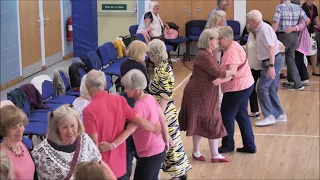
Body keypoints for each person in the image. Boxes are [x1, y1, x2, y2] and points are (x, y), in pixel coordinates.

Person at [82, 69, 161, 179]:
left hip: (102, 167)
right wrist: (155, 128)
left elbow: (93, 144)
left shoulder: (88, 111)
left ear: (86, 86)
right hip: (120, 163)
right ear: (104, 84)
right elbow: (140, 121)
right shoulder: (119, 100)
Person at [179, 29, 236, 163]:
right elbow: (218, 72)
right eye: (216, 38)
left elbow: (218, 71)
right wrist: (232, 72)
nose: (218, 41)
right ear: (209, 40)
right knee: (211, 119)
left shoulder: (210, 53)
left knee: (204, 119)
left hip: (205, 92)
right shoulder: (203, 55)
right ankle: (211, 154)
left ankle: (198, 152)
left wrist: (227, 73)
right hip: (198, 94)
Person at [31, 104, 116, 180]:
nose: (70, 131)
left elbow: (100, 164)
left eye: (72, 126)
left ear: (78, 124)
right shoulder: (40, 153)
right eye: (64, 127)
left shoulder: (85, 140)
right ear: (56, 129)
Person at [149, 39, 192, 180]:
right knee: (172, 143)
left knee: (171, 144)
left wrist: (158, 116)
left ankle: (179, 175)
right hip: (164, 111)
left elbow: (165, 97)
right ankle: (179, 172)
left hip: (165, 113)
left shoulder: (163, 70)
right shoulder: (160, 67)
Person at [213, 26, 256, 153]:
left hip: (237, 89)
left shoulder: (231, 51)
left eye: (218, 38)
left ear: (225, 38)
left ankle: (227, 145)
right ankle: (249, 145)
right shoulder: (235, 45)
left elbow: (233, 72)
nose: (217, 41)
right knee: (242, 116)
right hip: (246, 85)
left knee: (226, 116)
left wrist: (221, 80)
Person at [246, 10, 287, 126]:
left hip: (271, 61)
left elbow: (271, 48)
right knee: (271, 89)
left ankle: (269, 115)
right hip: (271, 60)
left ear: (253, 21)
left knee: (262, 88)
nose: (248, 24)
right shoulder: (260, 29)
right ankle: (280, 114)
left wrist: (271, 66)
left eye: (249, 21)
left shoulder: (263, 29)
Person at [272, 0, 309, 90]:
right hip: (294, 35)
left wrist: (271, 35)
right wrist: (295, 28)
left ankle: (273, 84)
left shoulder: (280, 7)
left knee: (277, 58)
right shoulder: (297, 7)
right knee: (291, 59)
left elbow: (275, 23)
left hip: (283, 35)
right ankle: (298, 83)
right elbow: (307, 20)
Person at [0, 105, 36, 180]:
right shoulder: (2, 158)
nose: (20, 130)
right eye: (14, 127)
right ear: (4, 130)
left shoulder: (23, 144)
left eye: (20, 125)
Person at [302, 0, 320, 76]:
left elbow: (315, 17)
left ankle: (315, 70)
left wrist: (319, 25)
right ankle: (302, 71)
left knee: (314, 50)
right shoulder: (302, 6)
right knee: (302, 52)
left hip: (311, 31)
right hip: (303, 31)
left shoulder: (314, 7)